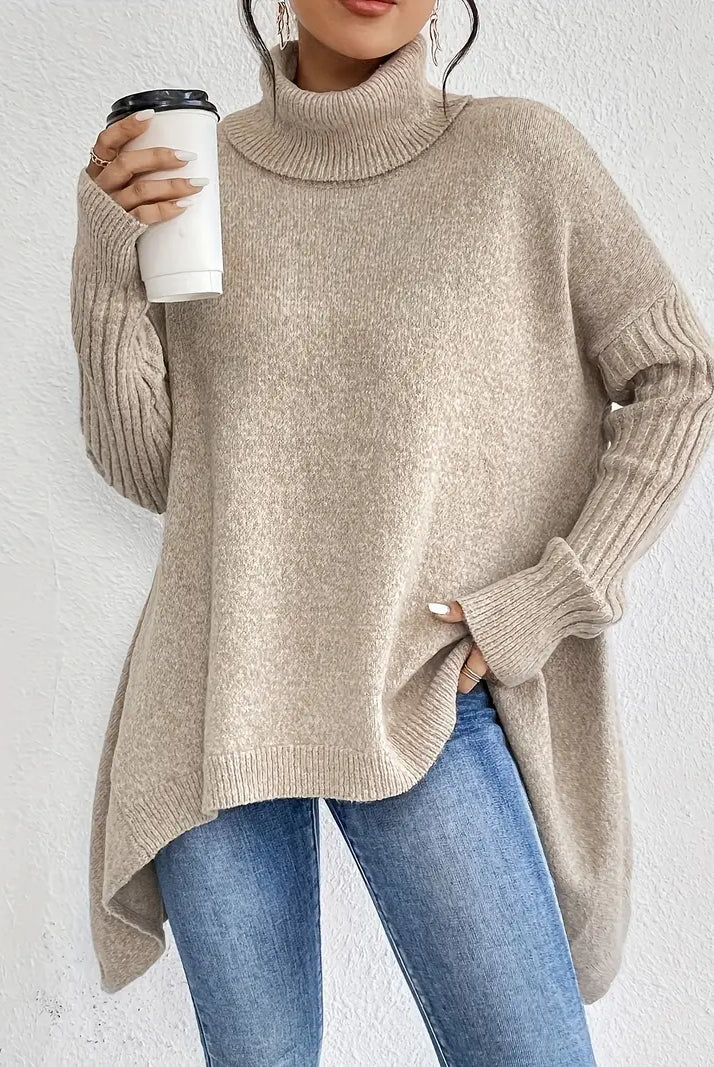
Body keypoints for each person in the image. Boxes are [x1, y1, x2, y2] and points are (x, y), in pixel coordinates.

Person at [69, 0, 714, 1064]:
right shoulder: (199, 175)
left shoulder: (520, 157)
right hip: (217, 694)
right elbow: (159, 476)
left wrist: (550, 597)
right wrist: (108, 264)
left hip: (424, 683)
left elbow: (677, 376)